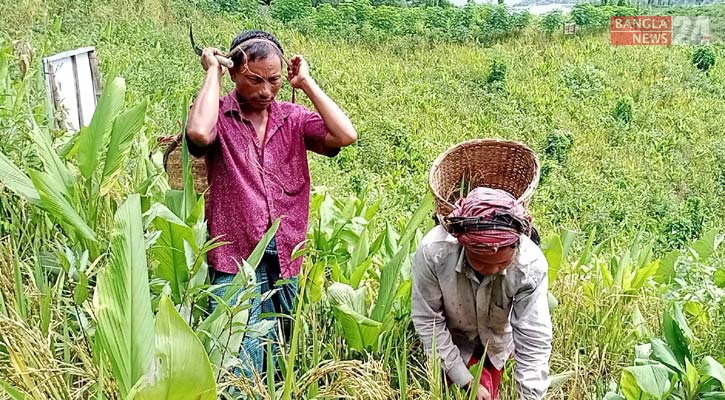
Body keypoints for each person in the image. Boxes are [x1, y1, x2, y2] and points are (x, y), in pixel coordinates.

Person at [185, 30, 357, 378]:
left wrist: (305, 82)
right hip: (234, 254)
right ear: (234, 73)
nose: (265, 90)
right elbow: (200, 134)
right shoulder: (219, 114)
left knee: (279, 347)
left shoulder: (292, 118)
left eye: (274, 80)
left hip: (286, 251)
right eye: (254, 80)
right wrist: (210, 73)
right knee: (233, 350)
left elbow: (345, 135)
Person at [412, 187, 552, 400]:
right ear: (463, 245)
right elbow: (428, 320)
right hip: (452, 340)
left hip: (497, 344)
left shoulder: (530, 266)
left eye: (502, 263)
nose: (492, 270)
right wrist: (465, 380)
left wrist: (530, 396)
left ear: (516, 246)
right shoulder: (434, 252)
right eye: (481, 262)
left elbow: (533, 337)